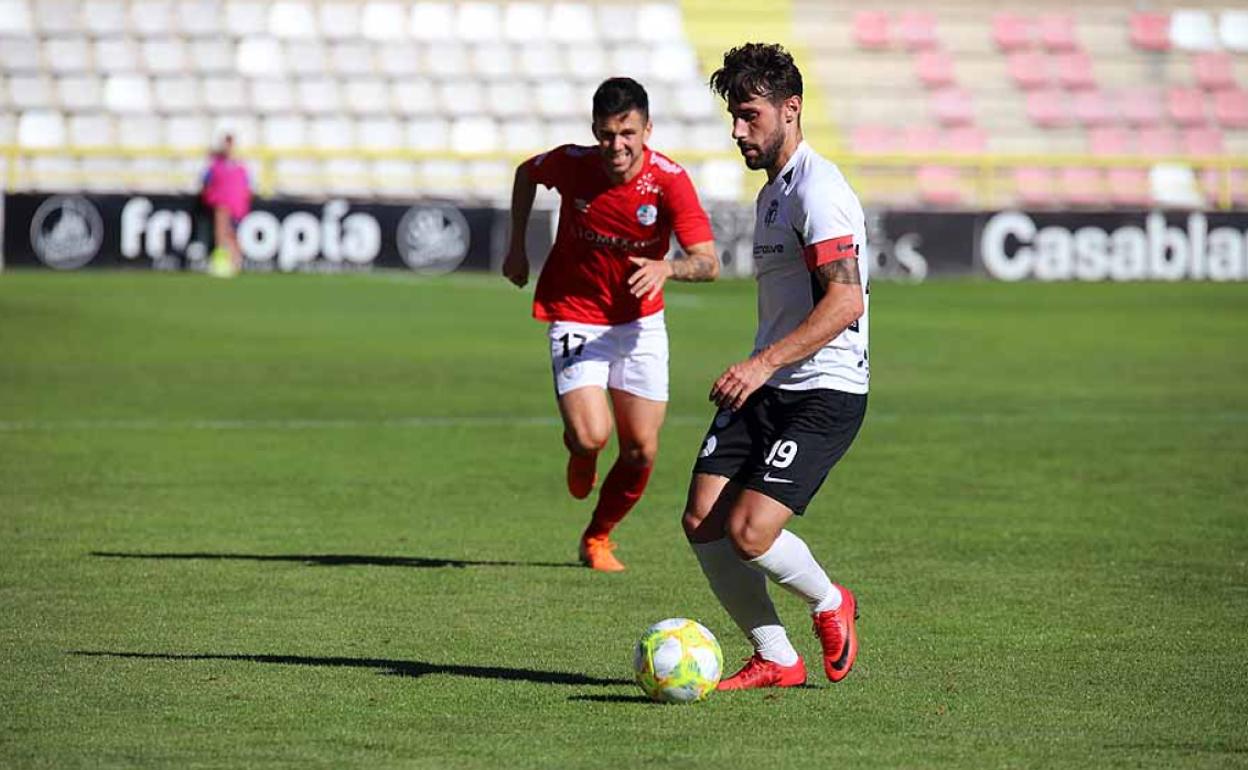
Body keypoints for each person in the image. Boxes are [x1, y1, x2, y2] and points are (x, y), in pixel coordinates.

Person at [681, 43, 870, 690]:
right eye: (733, 116)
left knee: (749, 531)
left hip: (825, 388)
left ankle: (829, 602)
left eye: (749, 116)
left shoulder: (820, 191)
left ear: (791, 110)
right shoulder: (772, 195)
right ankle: (776, 657)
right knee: (703, 521)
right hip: (769, 381)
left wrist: (760, 363)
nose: (738, 130)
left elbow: (846, 301)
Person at [504, 76, 719, 572]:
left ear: (647, 130)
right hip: (575, 312)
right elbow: (525, 174)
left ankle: (598, 537)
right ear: (594, 130)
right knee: (591, 436)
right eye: (606, 134)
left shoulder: (669, 181)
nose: (616, 146)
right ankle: (581, 450)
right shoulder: (573, 164)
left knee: (642, 449)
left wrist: (668, 267)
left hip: (640, 325)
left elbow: (708, 263)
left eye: (627, 133)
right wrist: (516, 245)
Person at [200, 133, 252, 278]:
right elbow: (206, 180)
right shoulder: (217, 163)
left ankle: (230, 262)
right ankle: (228, 262)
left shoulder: (239, 164)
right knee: (224, 231)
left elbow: (246, 185)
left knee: (227, 233)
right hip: (223, 200)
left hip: (233, 202)